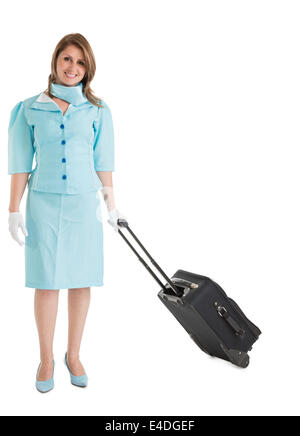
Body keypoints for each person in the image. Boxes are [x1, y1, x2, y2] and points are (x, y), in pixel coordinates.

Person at [7, 33, 126, 393]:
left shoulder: (98, 110)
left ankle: (73, 355)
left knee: (80, 278)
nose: (73, 67)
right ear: (55, 62)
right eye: (67, 59)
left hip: (81, 204)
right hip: (43, 203)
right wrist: (13, 209)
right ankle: (46, 358)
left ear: (88, 68)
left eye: (80, 62)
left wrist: (112, 205)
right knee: (46, 281)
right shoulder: (28, 108)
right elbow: (19, 164)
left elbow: (103, 162)